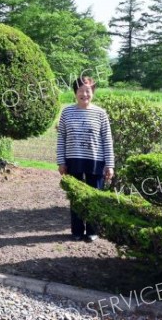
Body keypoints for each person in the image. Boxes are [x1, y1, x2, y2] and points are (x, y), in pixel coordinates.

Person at [57, 76, 114, 242]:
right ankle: (76, 231)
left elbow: (107, 140)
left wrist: (110, 165)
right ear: (75, 92)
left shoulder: (100, 113)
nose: (84, 94)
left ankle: (92, 230)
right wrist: (61, 162)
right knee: (75, 197)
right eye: (80, 90)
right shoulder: (67, 112)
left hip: (96, 161)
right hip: (73, 160)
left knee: (93, 197)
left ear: (93, 92)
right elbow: (61, 139)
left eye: (88, 90)